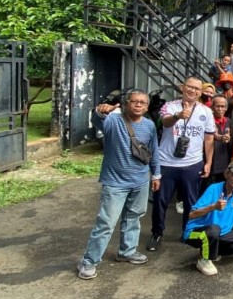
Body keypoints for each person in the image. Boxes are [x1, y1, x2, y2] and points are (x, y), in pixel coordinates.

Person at [78, 91, 160, 280]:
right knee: (106, 223)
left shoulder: (149, 125)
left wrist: (156, 174)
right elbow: (97, 119)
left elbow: (154, 151)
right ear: (126, 104)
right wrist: (100, 111)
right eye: (134, 101)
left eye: (142, 102)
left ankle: (127, 251)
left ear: (147, 107)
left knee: (134, 217)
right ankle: (88, 261)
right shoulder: (113, 121)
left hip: (140, 181)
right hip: (115, 183)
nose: (138, 105)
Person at [148, 77, 215, 252]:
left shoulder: (206, 111)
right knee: (160, 201)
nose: (193, 91)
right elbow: (165, 122)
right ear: (182, 88)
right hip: (166, 163)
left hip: (192, 163)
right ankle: (157, 233)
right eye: (190, 87)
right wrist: (178, 116)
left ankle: (187, 232)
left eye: (197, 89)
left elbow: (209, 139)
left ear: (201, 92)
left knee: (190, 202)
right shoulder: (170, 106)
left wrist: (208, 162)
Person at [184, 161, 233, 276]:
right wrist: (213, 207)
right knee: (214, 229)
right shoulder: (213, 189)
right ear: (226, 174)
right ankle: (203, 260)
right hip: (196, 232)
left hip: (222, 233)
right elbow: (191, 215)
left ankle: (213, 252)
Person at [204, 95, 232, 192]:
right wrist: (220, 137)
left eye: (222, 106)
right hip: (210, 163)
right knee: (207, 191)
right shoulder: (207, 121)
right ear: (212, 107)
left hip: (224, 163)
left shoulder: (228, 121)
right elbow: (213, 136)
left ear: (226, 108)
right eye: (217, 106)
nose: (220, 109)